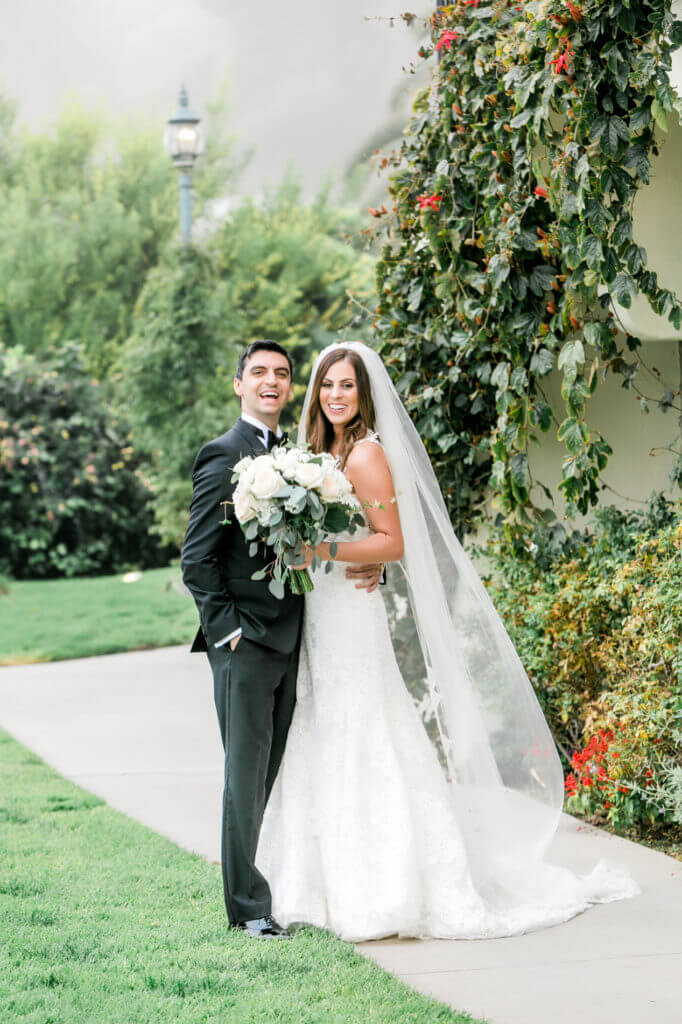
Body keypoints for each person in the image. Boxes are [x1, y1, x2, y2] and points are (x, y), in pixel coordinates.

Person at [255, 340, 639, 942]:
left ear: (363, 395)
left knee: (364, 725)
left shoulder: (366, 455)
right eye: (327, 385)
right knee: (323, 724)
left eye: (346, 386)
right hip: (321, 615)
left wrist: (324, 551)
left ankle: (384, 888)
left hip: (351, 619)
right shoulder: (317, 455)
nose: (334, 395)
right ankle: (313, 885)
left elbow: (392, 542)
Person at [180, 340, 382, 940]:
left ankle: (276, 886)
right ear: (238, 383)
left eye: (283, 374)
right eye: (260, 372)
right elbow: (197, 561)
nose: (272, 381)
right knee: (245, 777)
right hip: (245, 646)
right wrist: (228, 634)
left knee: (274, 775)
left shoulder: (298, 455)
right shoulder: (223, 455)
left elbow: (337, 532)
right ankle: (247, 910)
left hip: (299, 640)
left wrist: (375, 563)